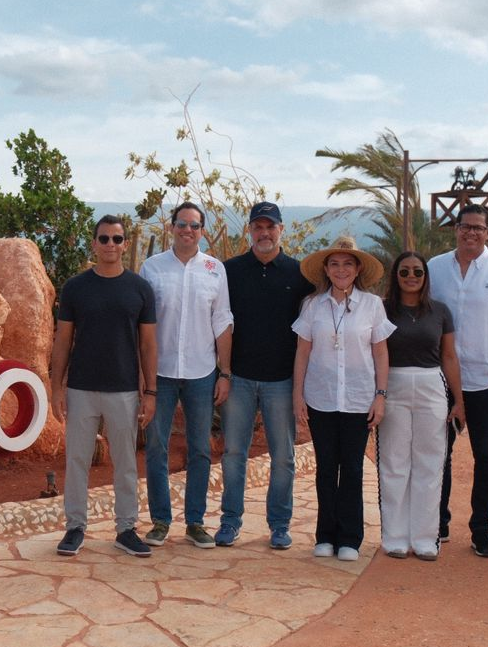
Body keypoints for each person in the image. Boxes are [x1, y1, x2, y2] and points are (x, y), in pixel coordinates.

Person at [48, 215, 158, 559]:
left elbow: (148, 345)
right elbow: (63, 340)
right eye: (104, 238)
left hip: (124, 390)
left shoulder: (140, 289)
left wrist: (150, 392)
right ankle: (75, 527)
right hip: (81, 388)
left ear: (125, 244)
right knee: (77, 460)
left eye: (117, 239)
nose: (111, 244)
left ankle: (126, 529)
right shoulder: (75, 288)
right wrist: (56, 387)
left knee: (125, 463)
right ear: (94, 243)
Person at [428, 205, 488, 558]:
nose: (471, 232)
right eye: (465, 226)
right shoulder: (435, 268)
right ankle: (437, 522)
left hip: (487, 381)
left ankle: (481, 528)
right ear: (456, 229)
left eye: (478, 228)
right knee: (439, 454)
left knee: (486, 456)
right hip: (441, 380)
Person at [217, 201, 314, 549]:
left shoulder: (300, 274)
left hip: (282, 381)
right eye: (258, 227)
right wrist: (223, 372)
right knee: (233, 454)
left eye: (270, 226)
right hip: (239, 378)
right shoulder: (229, 271)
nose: (264, 233)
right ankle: (230, 521)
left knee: (283, 457)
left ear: (281, 230)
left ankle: (280, 525)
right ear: (249, 231)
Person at [292, 237, 392, 563]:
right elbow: (303, 352)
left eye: (348, 264)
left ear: (358, 269)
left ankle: (350, 538)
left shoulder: (372, 305)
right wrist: (297, 395)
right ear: (326, 269)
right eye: (334, 264)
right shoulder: (312, 305)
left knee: (351, 468)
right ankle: (325, 535)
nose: (341, 270)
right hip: (321, 397)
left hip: (358, 398)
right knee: (325, 468)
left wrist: (380, 395)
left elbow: (380, 353)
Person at [141, 202, 233, 549]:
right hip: (161, 373)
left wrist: (225, 372)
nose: (188, 230)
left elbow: (222, 320)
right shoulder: (152, 268)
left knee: (200, 449)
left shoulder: (215, 270)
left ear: (202, 231)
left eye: (194, 226)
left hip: (201, 371)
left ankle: (195, 521)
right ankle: (160, 521)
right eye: (182, 224)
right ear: (172, 227)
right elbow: (143, 325)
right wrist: (143, 377)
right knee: (156, 447)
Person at [379, 251, 463, 561]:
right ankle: (395, 537)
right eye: (404, 271)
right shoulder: (382, 309)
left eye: (417, 271)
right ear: (395, 276)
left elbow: (449, 356)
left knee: (430, 462)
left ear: (426, 276)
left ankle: (426, 538)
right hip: (393, 384)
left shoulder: (440, 311)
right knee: (394, 462)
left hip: (432, 386)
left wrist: (459, 401)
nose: (411, 276)